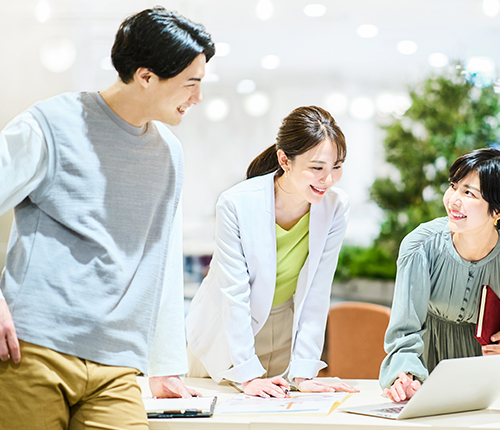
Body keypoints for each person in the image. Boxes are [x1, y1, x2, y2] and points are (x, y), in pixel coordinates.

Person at [0, 7, 214, 429]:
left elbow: (162, 259)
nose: (198, 98)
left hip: (118, 366)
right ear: (146, 76)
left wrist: (165, 365)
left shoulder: (169, 153)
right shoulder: (50, 124)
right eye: (191, 83)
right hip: (33, 349)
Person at [185, 106, 359, 398]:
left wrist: (304, 372)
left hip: (283, 328)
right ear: (284, 160)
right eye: (317, 168)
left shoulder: (336, 206)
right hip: (225, 331)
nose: (328, 180)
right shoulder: (236, 203)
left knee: (275, 412)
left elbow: (317, 290)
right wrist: (247, 374)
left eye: (337, 166)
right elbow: (234, 293)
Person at [379, 148, 500, 402]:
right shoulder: (420, 247)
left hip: (490, 369)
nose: (453, 200)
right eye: (453, 186)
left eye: (468, 193)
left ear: (498, 211)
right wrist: (405, 375)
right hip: (431, 362)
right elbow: (405, 329)